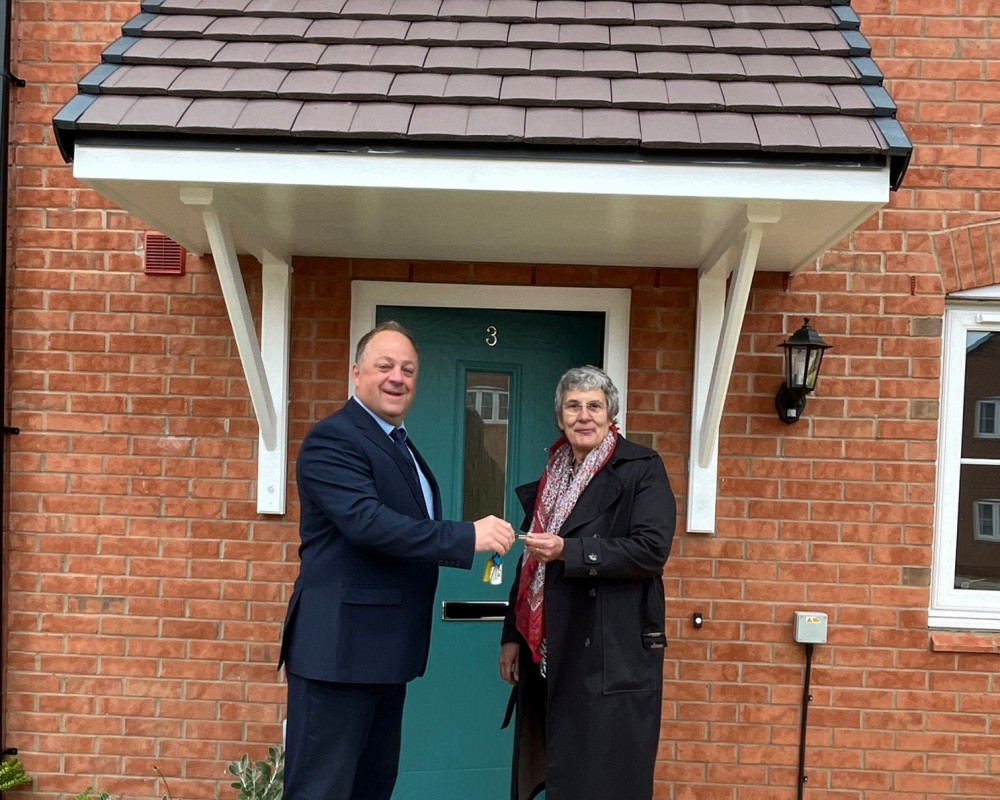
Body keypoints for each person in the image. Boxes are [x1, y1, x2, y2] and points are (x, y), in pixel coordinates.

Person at [280, 320, 516, 800]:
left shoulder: (399, 444)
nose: (397, 378)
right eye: (384, 366)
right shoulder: (334, 439)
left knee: (371, 787)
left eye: (408, 369)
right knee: (321, 790)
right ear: (356, 373)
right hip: (338, 653)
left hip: (383, 655)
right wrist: (466, 535)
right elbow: (366, 522)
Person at [497, 365, 676, 800]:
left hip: (609, 649)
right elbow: (530, 564)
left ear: (610, 414)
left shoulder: (641, 468)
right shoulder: (552, 476)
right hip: (550, 648)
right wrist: (512, 635)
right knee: (560, 774)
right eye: (573, 406)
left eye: (594, 406)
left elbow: (651, 550)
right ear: (559, 417)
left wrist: (570, 552)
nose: (584, 416)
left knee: (604, 778)